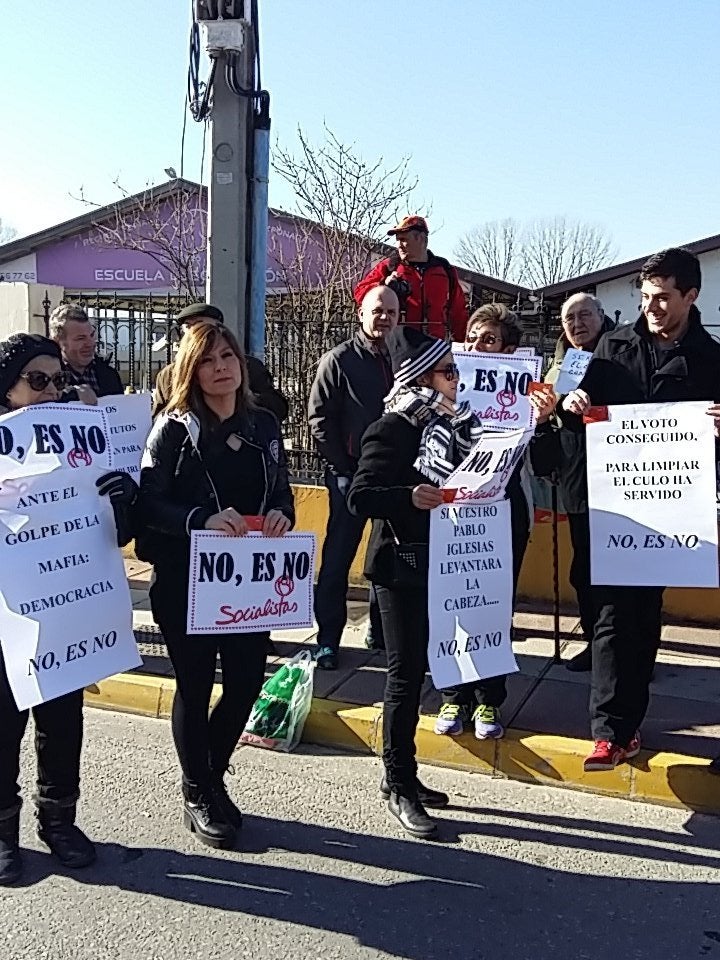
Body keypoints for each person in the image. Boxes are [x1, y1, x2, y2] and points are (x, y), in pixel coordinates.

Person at [560, 248, 720, 771]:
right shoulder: (611, 346)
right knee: (610, 614)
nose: (651, 307)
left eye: (663, 297)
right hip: (616, 506)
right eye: (646, 296)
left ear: (691, 296)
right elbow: (571, 399)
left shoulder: (712, 359)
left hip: (675, 512)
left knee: (643, 615)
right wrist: (572, 404)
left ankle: (627, 725)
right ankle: (610, 732)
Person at [137, 321, 294, 849]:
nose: (221, 367)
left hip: (246, 586)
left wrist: (281, 514)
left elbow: (282, 490)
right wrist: (200, 520)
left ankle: (211, 774)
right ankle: (198, 790)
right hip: (185, 581)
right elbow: (147, 503)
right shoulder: (172, 429)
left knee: (246, 683)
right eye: (207, 360)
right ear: (191, 370)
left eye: (227, 356)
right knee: (196, 684)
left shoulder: (263, 425)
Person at [0, 333, 137, 885]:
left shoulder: (82, 448)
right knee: (2, 725)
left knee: (62, 722)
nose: (51, 390)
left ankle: (58, 820)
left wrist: (122, 500)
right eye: (37, 380)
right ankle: (2, 831)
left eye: (58, 381)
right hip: (8, 618)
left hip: (66, 614)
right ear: (6, 389)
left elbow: (115, 538)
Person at [347, 326, 482, 838]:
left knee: (423, 668)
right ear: (422, 378)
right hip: (399, 566)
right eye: (449, 371)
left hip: (442, 560)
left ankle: (404, 774)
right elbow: (361, 496)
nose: (457, 379)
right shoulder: (392, 427)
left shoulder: (457, 425)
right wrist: (408, 496)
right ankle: (398, 782)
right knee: (404, 676)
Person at [434, 304, 557, 739]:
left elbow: (548, 464)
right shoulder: (447, 385)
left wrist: (543, 422)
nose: (476, 345)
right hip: (452, 512)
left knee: (493, 606)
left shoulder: (528, 395)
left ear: (508, 350)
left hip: (504, 510)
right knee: (451, 604)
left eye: (488, 339)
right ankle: (453, 695)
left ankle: (489, 699)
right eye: (471, 336)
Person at [307, 286, 398, 669]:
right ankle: (328, 639)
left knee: (387, 558)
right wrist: (343, 469)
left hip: (394, 477)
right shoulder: (339, 360)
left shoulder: (404, 359)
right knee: (338, 558)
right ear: (361, 314)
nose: (384, 317)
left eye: (391, 311)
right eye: (377, 310)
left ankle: (380, 629)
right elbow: (319, 419)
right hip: (351, 476)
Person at [531, 293, 616, 673]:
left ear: (601, 316)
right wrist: (554, 407)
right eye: (570, 319)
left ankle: (627, 648)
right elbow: (548, 412)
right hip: (577, 477)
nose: (577, 324)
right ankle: (596, 644)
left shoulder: (622, 351)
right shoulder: (561, 362)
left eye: (585, 315)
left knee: (623, 571)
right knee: (584, 569)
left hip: (622, 476)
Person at [152, 302, 288, 423]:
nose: (220, 367)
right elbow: (158, 418)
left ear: (218, 328)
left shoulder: (247, 366)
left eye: (200, 325)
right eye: (188, 327)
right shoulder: (168, 375)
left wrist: (243, 399)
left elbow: (277, 408)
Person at [354, 216, 468, 342]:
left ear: (421, 239)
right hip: (398, 345)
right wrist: (383, 285)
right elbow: (360, 293)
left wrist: (464, 343)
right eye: (397, 240)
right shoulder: (390, 266)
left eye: (403, 240)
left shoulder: (445, 270)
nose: (398, 245)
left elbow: (458, 312)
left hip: (434, 346)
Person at [49, 303, 124, 401]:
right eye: (80, 338)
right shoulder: (46, 379)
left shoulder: (109, 375)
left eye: (92, 335)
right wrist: (71, 394)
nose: (90, 343)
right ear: (57, 342)